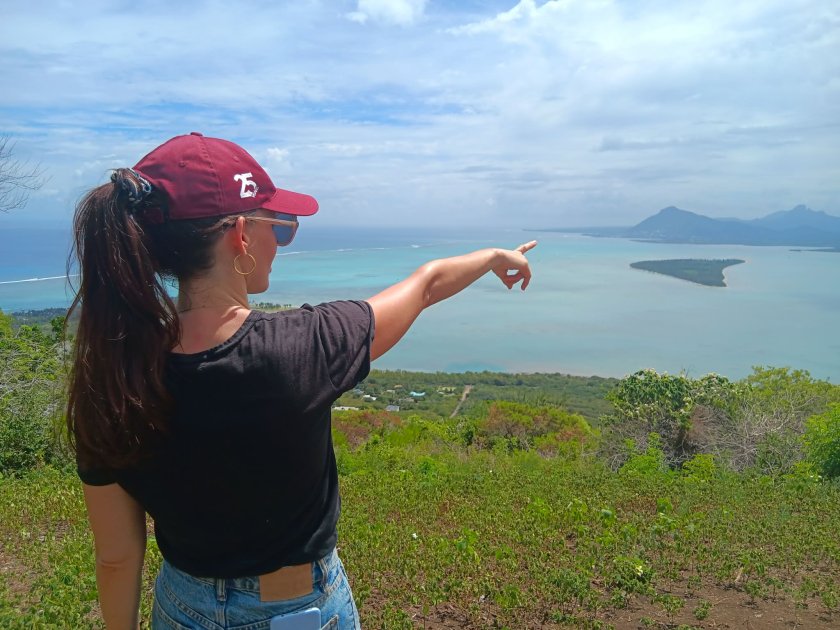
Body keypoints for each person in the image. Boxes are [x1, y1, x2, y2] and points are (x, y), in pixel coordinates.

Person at [67, 132, 536, 630]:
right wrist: (491, 257)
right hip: (297, 612)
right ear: (240, 236)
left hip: (182, 609)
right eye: (282, 227)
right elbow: (423, 287)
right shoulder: (303, 347)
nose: (282, 243)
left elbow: (116, 557)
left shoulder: (112, 376)